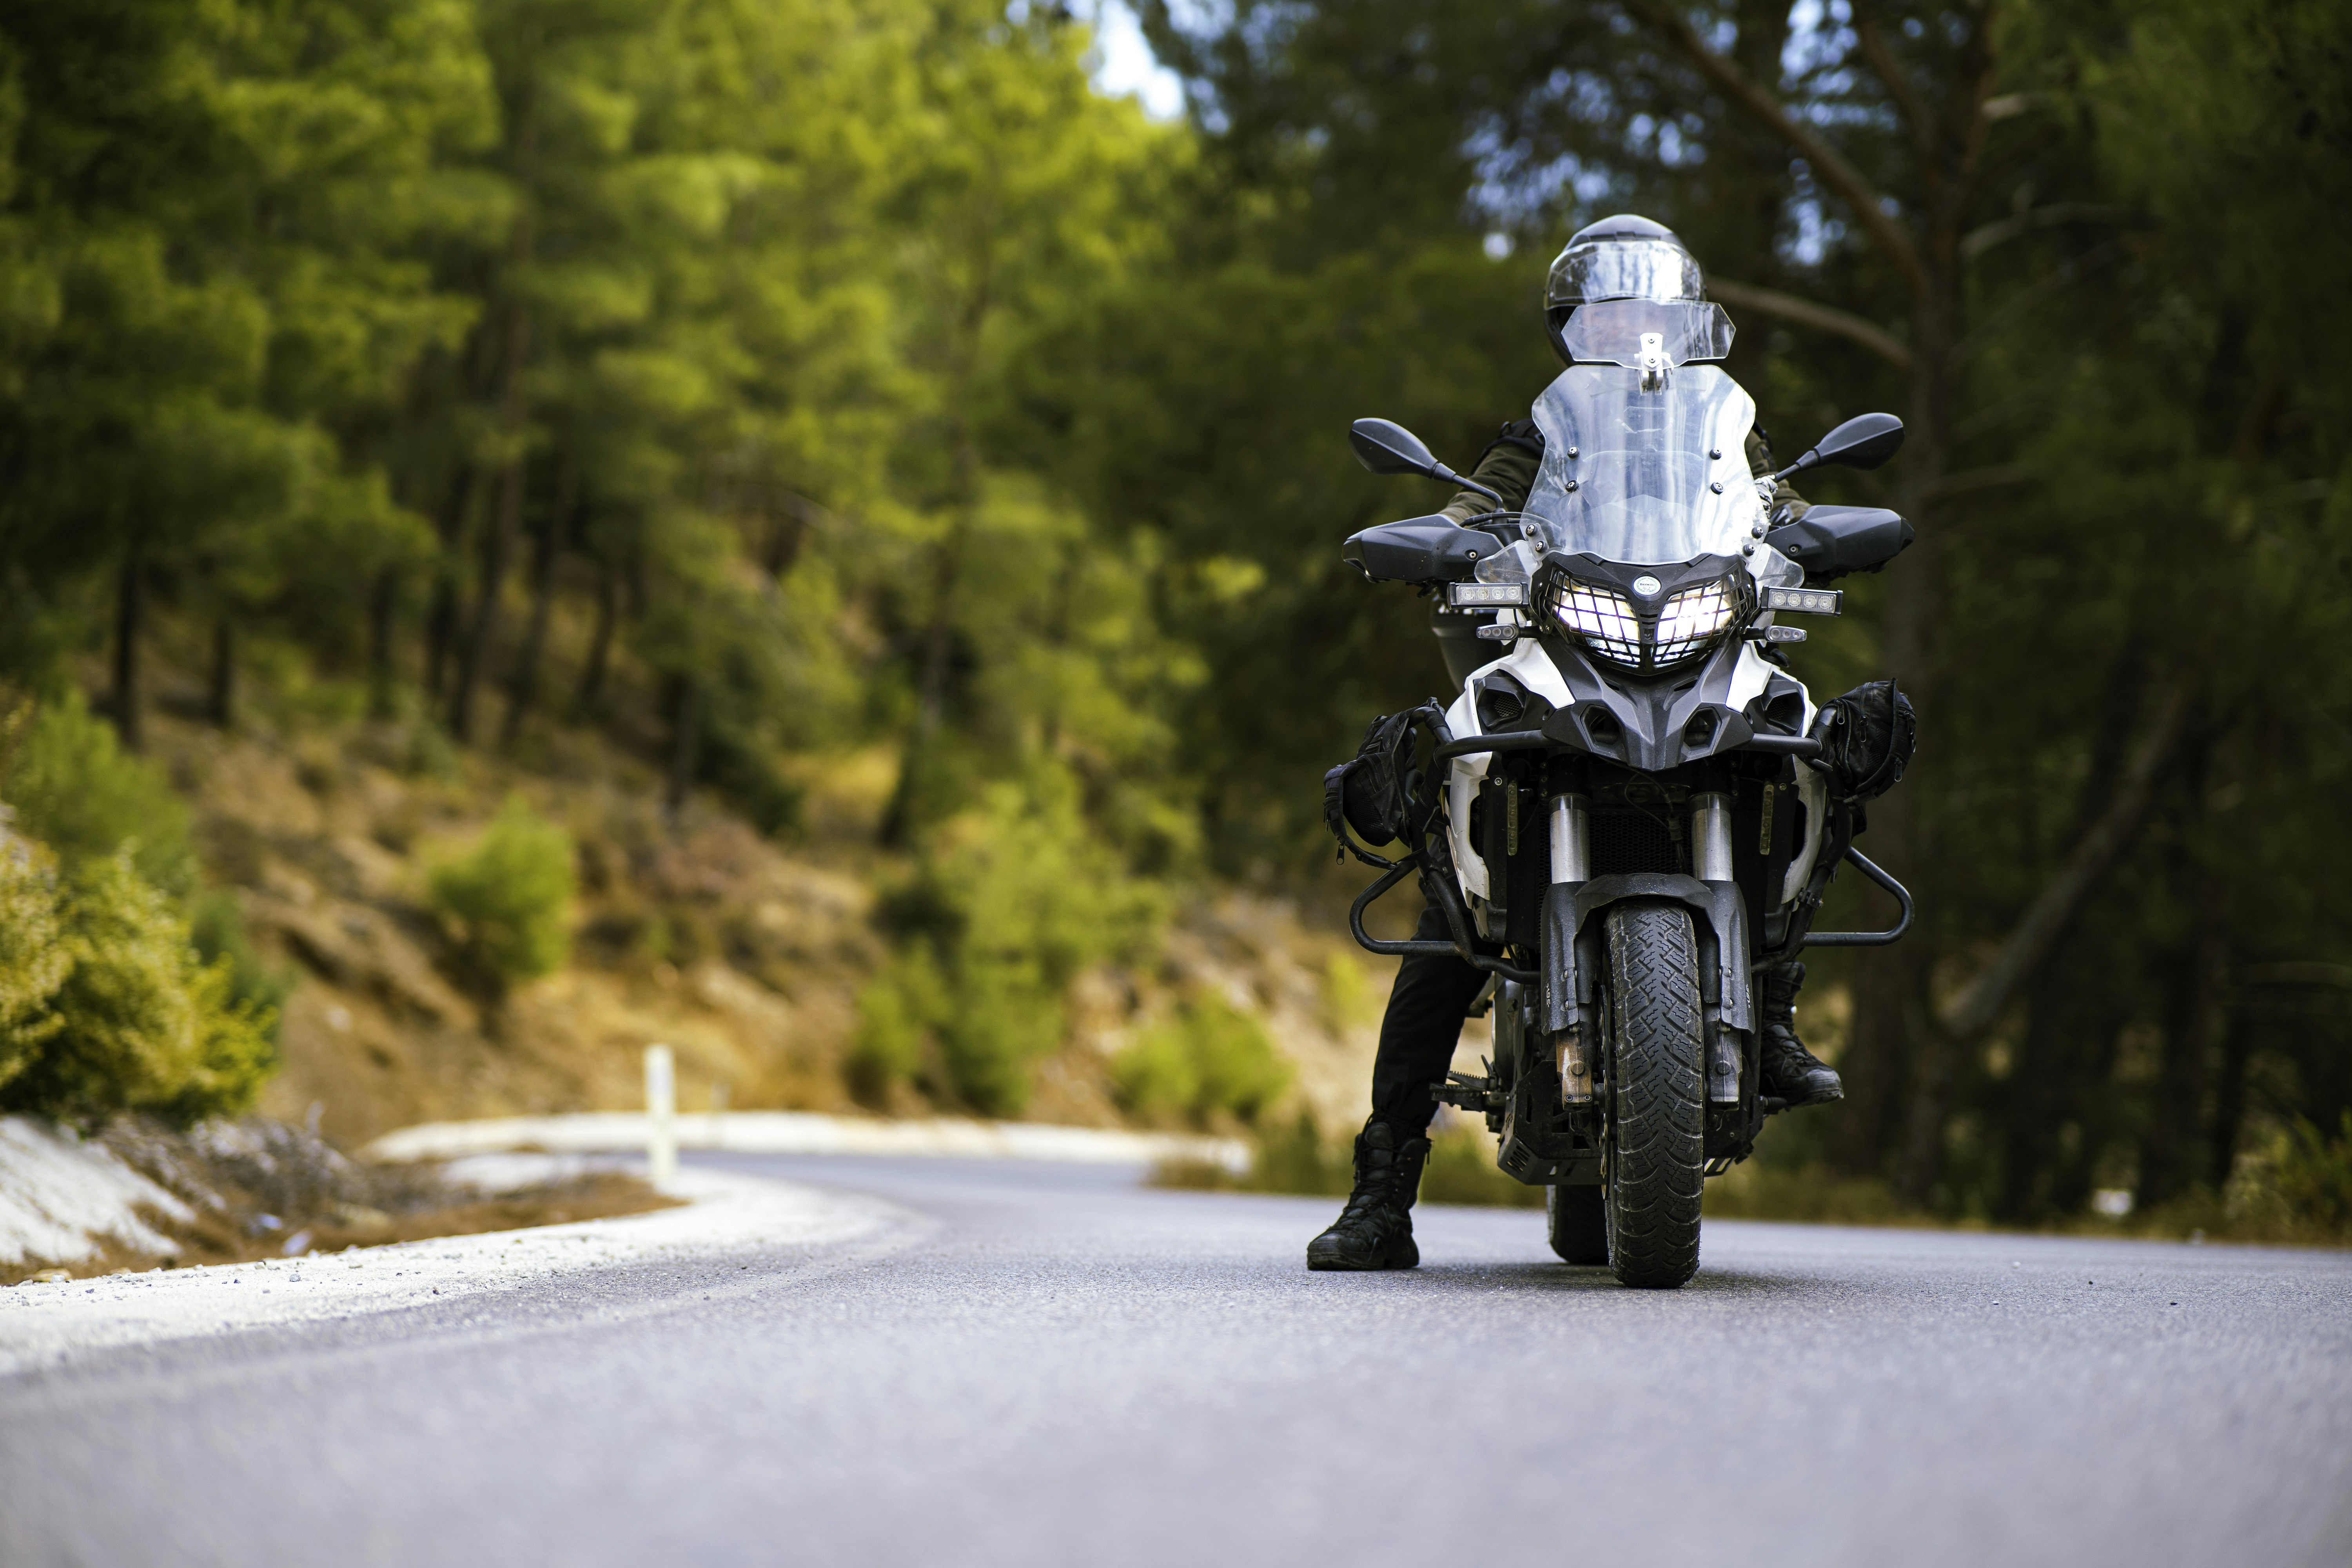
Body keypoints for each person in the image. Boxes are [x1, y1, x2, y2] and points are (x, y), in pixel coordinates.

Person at [1307, 214, 1843, 1273]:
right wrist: (1452, 542)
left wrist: (1814, 536)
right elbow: (1472, 512)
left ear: (1682, 322)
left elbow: (1783, 511)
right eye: (1605, 311)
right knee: (1448, 900)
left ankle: (1774, 1007)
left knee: (1816, 751)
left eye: (1647, 309)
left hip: (1700, 656)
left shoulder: (1726, 435)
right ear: (1573, 326)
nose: (1628, 326)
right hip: (1569, 661)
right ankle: (1382, 1192)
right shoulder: (1543, 439)